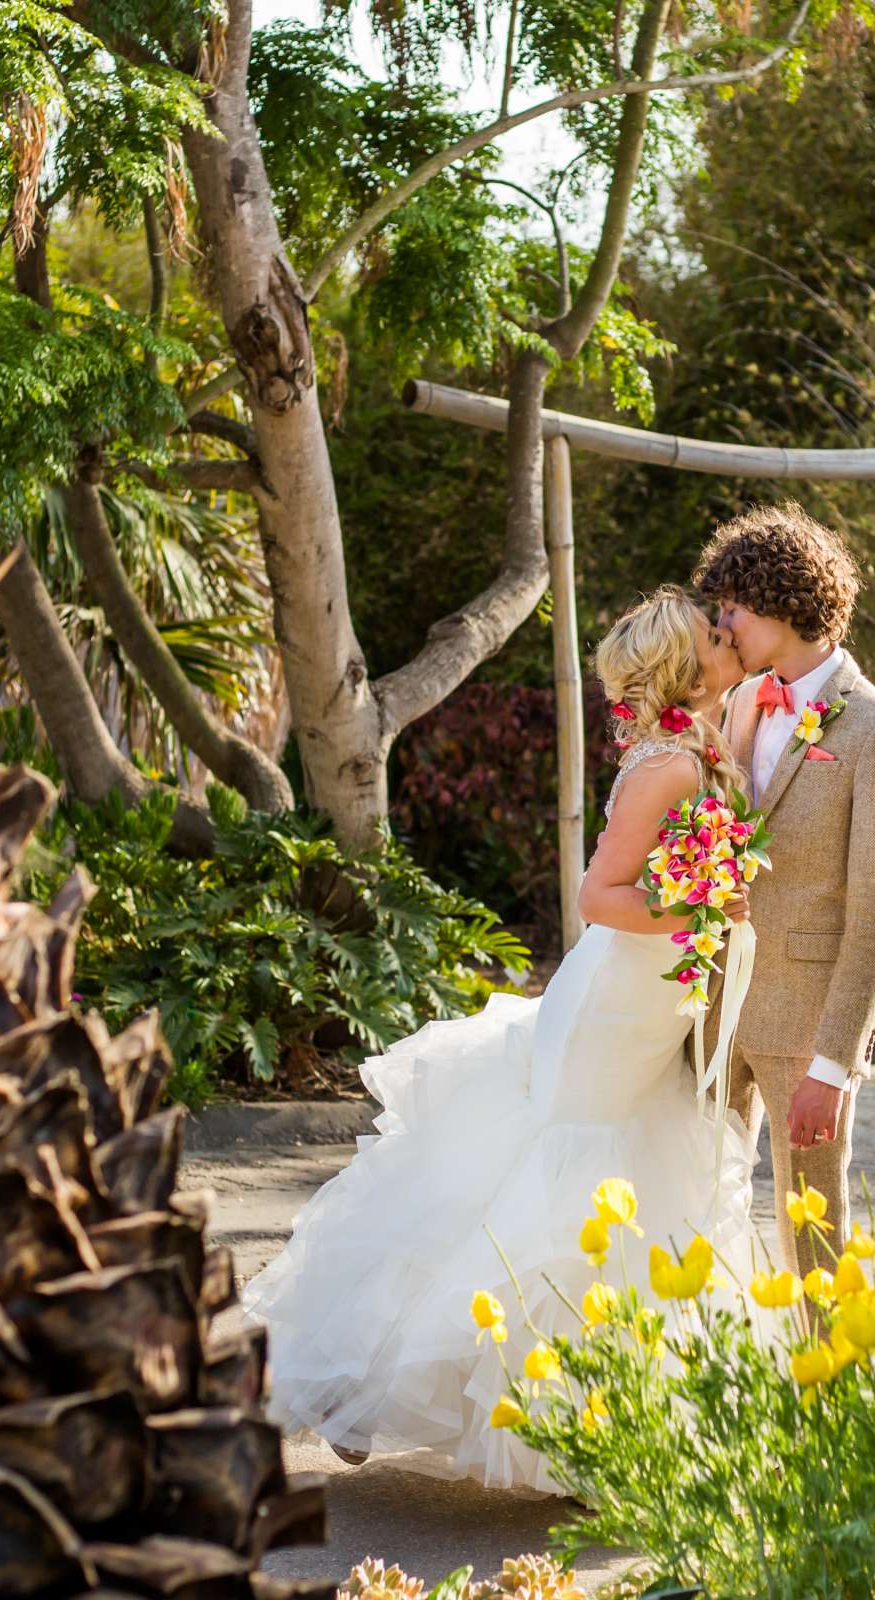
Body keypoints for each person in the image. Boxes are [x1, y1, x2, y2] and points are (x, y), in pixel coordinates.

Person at [244, 587, 755, 1492]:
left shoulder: (702, 743)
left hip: (650, 997)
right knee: (564, 1178)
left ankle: (603, 1415)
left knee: (631, 1176)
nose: (731, 645)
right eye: (716, 639)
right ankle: (365, 1384)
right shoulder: (667, 768)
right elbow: (600, 897)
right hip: (615, 1004)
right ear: (686, 668)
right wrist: (700, 904)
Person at [695, 504, 875, 1276]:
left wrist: (834, 1066)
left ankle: (838, 1392)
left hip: (808, 1024)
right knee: (693, 1205)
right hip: (716, 1008)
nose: (721, 625)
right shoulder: (741, 703)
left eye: (733, 607)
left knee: (815, 1240)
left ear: (784, 604)